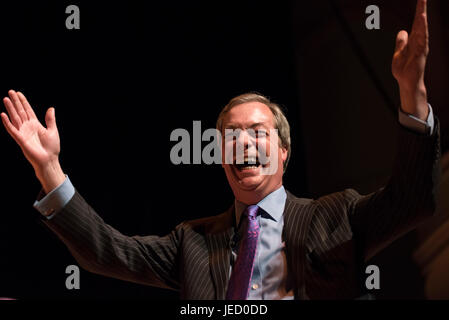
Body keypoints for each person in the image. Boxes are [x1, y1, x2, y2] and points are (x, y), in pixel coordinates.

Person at [1, 0, 440, 299]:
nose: (242, 143)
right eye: (231, 135)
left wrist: (411, 94)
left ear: (284, 151)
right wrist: (49, 169)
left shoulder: (336, 216)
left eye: (256, 132)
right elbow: (105, 251)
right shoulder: (191, 242)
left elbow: (412, 199)